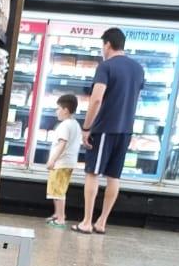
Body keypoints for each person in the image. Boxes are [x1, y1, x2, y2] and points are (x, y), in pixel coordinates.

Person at [73, 27, 144, 235]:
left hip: (105, 127)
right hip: (126, 130)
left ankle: (87, 222)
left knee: (92, 173)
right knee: (114, 176)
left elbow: (96, 99)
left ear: (107, 44)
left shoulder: (106, 67)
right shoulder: (138, 68)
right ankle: (102, 222)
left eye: (102, 46)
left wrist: (87, 127)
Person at [44, 93, 82, 228]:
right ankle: (57, 214)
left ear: (65, 110)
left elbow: (62, 144)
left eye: (58, 108)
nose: (56, 111)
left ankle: (60, 218)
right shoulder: (75, 124)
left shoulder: (65, 125)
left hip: (61, 163)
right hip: (68, 162)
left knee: (58, 191)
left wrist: (52, 160)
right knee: (57, 190)